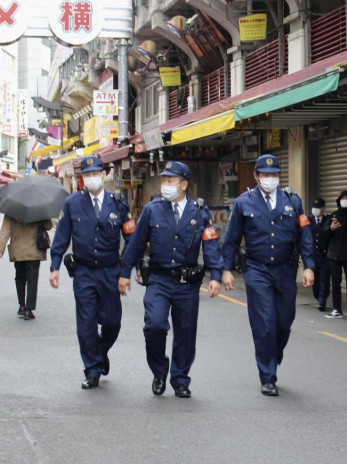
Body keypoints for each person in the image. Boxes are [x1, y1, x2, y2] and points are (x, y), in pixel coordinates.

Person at [118, 161, 223, 399]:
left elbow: (211, 245)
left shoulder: (199, 212)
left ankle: (180, 379)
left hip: (188, 283)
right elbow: (135, 244)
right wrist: (124, 273)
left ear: (184, 185)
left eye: (170, 181)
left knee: (185, 333)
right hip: (159, 280)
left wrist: (216, 275)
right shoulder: (152, 210)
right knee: (154, 326)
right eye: (163, 181)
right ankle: (159, 371)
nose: (165, 185)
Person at [221, 153, 314, 397]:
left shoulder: (293, 201)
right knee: (264, 324)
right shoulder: (244, 202)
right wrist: (226, 269)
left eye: (274, 175)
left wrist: (310, 266)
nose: (270, 179)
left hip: (285, 270)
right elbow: (231, 239)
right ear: (256, 176)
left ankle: (274, 353)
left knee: (283, 323)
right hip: (257, 270)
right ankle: (267, 375)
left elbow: (305, 235)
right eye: (265, 175)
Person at [49, 156, 135, 390]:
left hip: (110, 271)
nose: (91, 178)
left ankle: (100, 351)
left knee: (112, 322)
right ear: (82, 178)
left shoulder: (118, 203)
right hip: (84, 272)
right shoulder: (73, 204)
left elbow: (132, 239)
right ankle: (93, 369)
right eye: (87, 175)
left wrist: (127, 270)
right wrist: (54, 266)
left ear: (103, 175)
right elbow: (62, 237)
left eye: (95, 174)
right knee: (86, 323)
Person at [0, 216, 53, 320]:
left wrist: (1, 249)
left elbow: (5, 231)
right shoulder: (38, 209)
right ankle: (28, 310)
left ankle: (22, 306)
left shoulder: (12, 210)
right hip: (34, 249)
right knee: (32, 279)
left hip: (18, 248)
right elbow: (49, 226)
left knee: (20, 277)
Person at [323, 190, 347, 320]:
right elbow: (324, 232)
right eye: (342, 198)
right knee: (335, 282)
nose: (344, 200)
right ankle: (337, 309)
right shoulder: (334, 215)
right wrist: (332, 228)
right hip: (334, 254)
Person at [309, 197, 330, 311]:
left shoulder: (328, 220)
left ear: (323, 209)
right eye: (314, 208)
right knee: (315, 280)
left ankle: (322, 300)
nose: (315, 210)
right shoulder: (308, 220)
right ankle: (318, 296)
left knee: (324, 279)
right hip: (313, 256)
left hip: (325, 255)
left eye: (318, 208)